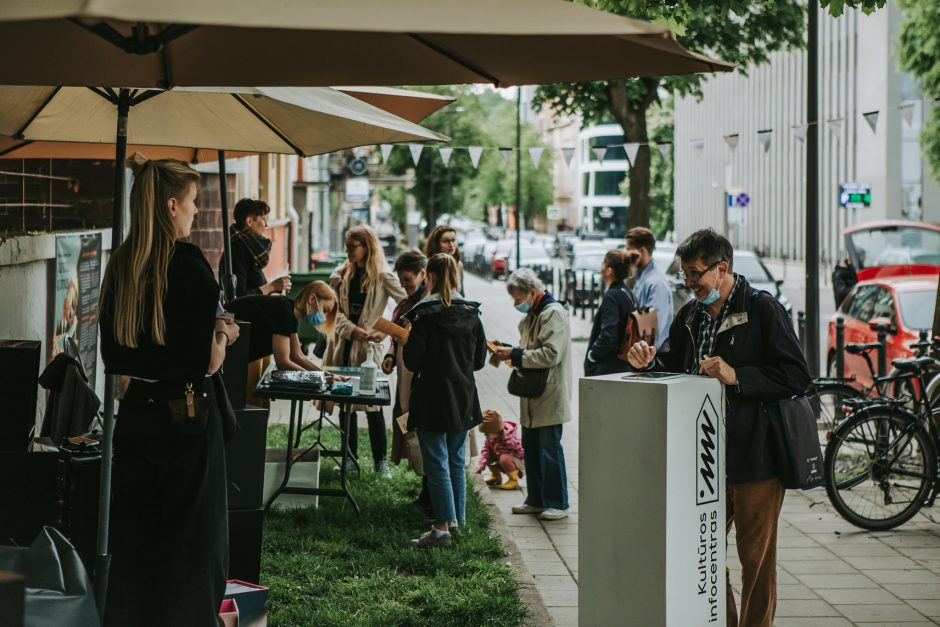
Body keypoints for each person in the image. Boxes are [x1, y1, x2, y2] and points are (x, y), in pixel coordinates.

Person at [625, 228, 810, 627]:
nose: (689, 283)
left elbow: (796, 376)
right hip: (703, 459)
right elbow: (673, 368)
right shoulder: (690, 315)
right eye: (685, 275)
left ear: (721, 269)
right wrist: (648, 362)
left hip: (755, 459)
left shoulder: (761, 308)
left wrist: (737, 375)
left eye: (695, 274)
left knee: (755, 563)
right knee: (702, 551)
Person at [99, 154, 240, 626]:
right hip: (187, 421)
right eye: (195, 203)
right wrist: (222, 335)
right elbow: (205, 363)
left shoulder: (119, 265)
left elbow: (114, 357)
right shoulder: (189, 265)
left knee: (139, 542)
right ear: (172, 204)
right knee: (192, 547)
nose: (198, 212)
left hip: (138, 416)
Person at [403, 253, 486, 547]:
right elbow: (479, 360)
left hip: (431, 395)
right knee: (455, 460)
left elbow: (413, 361)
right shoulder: (472, 313)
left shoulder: (423, 314)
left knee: (436, 462)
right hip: (462, 394)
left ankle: (441, 530)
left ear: (430, 277)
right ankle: (456, 523)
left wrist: (409, 338)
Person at [491, 268, 572, 522]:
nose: (516, 304)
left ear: (532, 292)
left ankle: (557, 502)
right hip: (532, 392)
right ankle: (536, 499)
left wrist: (515, 355)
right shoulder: (531, 317)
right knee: (532, 448)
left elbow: (550, 354)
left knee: (549, 449)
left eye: (518, 298)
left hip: (549, 392)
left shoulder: (553, 313)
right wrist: (508, 352)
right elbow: (527, 350)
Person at [324, 224, 406, 476]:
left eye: (353, 246)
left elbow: (408, 305)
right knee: (344, 403)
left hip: (370, 351)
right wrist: (351, 329)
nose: (348, 251)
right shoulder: (342, 274)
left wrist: (387, 330)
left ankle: (380, 461)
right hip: (343, 346)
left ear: (367, 247)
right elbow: (331, 312)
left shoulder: (383, 276)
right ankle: (349, 459)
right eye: (347, 246)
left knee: (373, 406)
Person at [381, 249, 430, 511]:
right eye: (401, 280)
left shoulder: (428, 303)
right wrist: (390, 354)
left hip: (421, 378)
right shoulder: (405, 303)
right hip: (404, 376)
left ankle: (429, 490)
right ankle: (424, 488)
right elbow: (395, 337)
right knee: (408, 426)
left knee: (421, 430)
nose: (404, 285)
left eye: (408, 279)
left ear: (423, 274)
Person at [224, 280, 337, 369]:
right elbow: (283, 362)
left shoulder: (289, 312)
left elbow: (298, 356)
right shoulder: (284, 311)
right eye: (325, 310)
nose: (324, 317)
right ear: (312, 299)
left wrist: (328, 376)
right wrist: (318, 379)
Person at [219, 197, 291, 297]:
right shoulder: (237, 250)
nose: (266, 225)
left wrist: (277, 288)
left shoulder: (247, 248)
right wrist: (272, 287)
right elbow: (238, 298)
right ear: (249, 221)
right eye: (263, 219)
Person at [584, 249, 639, 376]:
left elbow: (609, 334)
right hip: (623, 365)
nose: (601, 267)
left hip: (608, 368)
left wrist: (592, 355)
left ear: (609, 270)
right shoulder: (628, 293)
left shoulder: (612, 296)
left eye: (603, 263)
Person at [626, 226, 673, 349]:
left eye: (629, 250)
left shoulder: (656, 284)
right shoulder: (642, 277)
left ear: (642, 251)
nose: (626, 256)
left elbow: (653, 332)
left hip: (651, 358)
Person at [475, 409, 525, 490]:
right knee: (488, 456)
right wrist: (481, 466)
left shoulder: (510, 439)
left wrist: (500, 451)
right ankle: (496, 477)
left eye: (487, 433)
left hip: (518, 463)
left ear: (495, 431)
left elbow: (520, 452)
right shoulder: (490, 439)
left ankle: (513, 480)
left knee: (504, 458)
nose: (486, 436)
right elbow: (485, 452)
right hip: (503, 460)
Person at [425, 225, 464, 294]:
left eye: (453, 240)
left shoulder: (458, 264)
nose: (451, 244)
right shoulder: (428, 264)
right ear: (436, 244)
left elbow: (461, 294)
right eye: (445, 241)